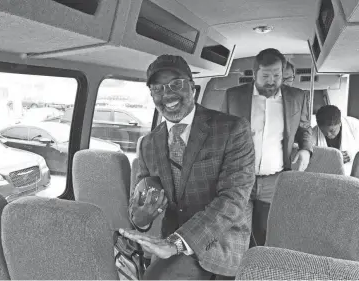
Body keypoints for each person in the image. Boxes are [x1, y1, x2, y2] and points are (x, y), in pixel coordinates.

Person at [120, 54, 255, 279]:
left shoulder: (232, 130)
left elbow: (233, 199)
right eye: (158, 88)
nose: (167, 94)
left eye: (176, 84)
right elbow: (140, 200)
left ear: (192, 88)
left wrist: (177, 243)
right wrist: (141, 218)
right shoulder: (148, 144)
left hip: (222, 245)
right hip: (170, 249)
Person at [222, 48, 313, 246]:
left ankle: (259, 270)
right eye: (265, 76)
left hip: (274, 178)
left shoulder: (297, 97)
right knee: (236, 230)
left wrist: (306, 149)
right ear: (254, 74)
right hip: (240, 176)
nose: (272, 81)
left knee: (265, 231)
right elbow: (222, 133)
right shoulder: (233, 96)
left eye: (277, 75)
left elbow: (305, 128)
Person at [313, 105, 359, 175]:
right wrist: (330, 159)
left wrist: (353, 155)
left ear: (340, 123)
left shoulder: (355, 126)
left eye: (332, 131)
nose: (328, 134)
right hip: (325, 177)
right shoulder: (313, 133)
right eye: (323, 131)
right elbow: (311, 161)